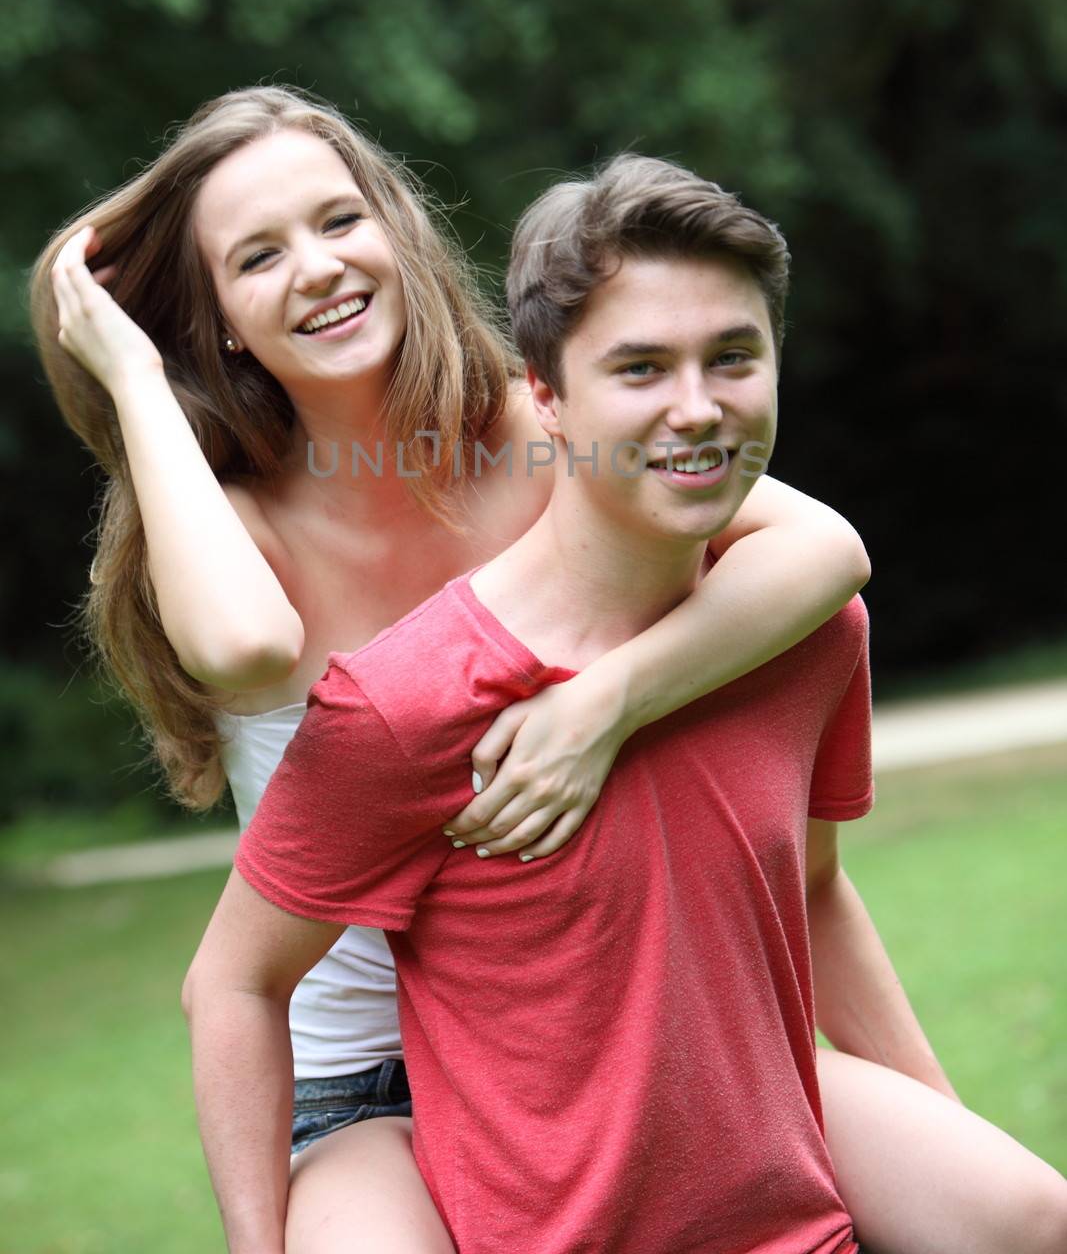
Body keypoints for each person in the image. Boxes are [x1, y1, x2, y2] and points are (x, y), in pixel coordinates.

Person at [32, 87, 880, 1249]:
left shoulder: (537, 437)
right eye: (259, 255)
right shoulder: (226, 535)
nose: (318, 268)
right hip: (362, 1087)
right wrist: (134, 379)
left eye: (339, 221)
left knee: (1011, 1212)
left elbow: (826, 551)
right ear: (221, 316)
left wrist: (604, 702)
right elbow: (245, 647)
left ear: (397, 228)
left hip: (577, 1045)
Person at [183, 152, 1067, 1254]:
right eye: (641, 368)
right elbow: (232, 981)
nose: (695, 411)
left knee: (1031, 1218)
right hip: (430, 1132)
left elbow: (813, 885)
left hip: (753, 1151)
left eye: (732, 358)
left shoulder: (805, 631)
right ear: (544, 401)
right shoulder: (402, 703)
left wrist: (946, 1128)